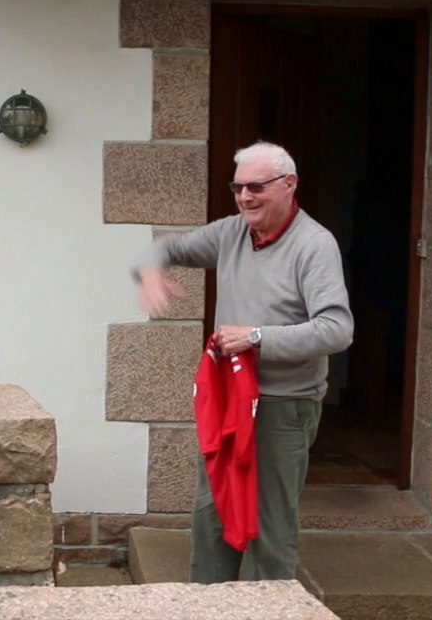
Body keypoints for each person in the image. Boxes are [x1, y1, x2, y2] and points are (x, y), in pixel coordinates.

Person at [130, 140, 353, 584]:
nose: (245, 197)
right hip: (229, 400)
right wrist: (150, 270)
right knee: (211, 516)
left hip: (282, 406)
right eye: (238, 188)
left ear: (289, 184)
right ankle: (209, 607)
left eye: (256, 187)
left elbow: (337, 330)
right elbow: (164, 249)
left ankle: (267, 607)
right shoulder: (231, 232)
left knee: (269, 529)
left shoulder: (315, 244)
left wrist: (256, 338)